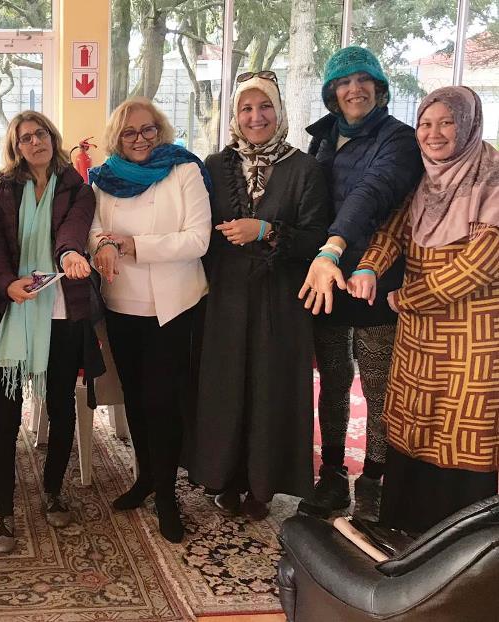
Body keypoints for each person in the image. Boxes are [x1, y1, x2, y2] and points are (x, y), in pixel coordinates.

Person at [346, 86, 499, 534]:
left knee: (463, 430)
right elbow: (394, 231)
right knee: (415, 423)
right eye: (425, 124)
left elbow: (482, 266)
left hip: (473, 335)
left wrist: (408, 298)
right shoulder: (427, 181)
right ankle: (405, 527)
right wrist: (370, 267)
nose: (434, 134)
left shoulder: (491, 179)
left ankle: (462, 545)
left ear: (468, 124)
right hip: (419, 337)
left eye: (446, 122)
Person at [190, 72, 330, 519]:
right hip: (226, 297)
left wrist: (266, 230)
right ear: (234, 115)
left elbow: (316, 238)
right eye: (246, 109)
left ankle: (262, 486)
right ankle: (225, 477)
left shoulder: (304, 168)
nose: (256, 117)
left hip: (280, 299)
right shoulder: (214, 166)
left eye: (265, 107)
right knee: (226, 385)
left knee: (270, 387)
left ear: (279, 111)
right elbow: (198, 229)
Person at [296, 47, 423, 521]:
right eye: (344, 81)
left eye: (364, 80)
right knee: (331, 380)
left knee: (377, 384)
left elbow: (374, 191)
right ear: (332, 92)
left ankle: (374, 479)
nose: (355, 89)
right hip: (324, 281)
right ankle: (331, 475)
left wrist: (332, 248)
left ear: (380, 88)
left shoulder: (400, 139)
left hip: (375, 277)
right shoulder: (323, 138)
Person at [88, 97, 211, 543]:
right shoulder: (104, 179)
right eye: (129, 132)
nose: (140, 139)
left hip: (173, 307)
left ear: (160, 130)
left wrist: (136, 245)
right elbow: (94, 227)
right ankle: (144, 478)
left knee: (163, 402)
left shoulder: (185, 171)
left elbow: (198, 239)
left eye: (147, 129)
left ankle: (166, 494)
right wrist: (102, 243)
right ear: (116, 139)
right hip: (122, 303)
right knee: (135, 399)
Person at [0, 111, 99, 553]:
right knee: (3, 416)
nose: (35, 142)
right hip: (16, 311)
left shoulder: (77, 187)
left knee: (60, 408)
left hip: (61, 313)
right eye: (25, 138)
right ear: (16, 148)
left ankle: (53, 491)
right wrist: (5, 284)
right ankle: (3, 511)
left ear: (53, 137)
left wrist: (69, 253)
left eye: (41, 134)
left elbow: (72, 229)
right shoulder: (4, 192)